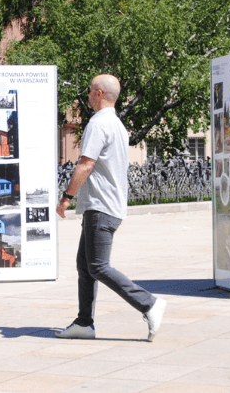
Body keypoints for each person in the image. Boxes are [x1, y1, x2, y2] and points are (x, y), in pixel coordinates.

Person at [55, 74, 167, 342]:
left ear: (98, 93)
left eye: (89, 91)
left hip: (101, 206)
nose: (87, 96)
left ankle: (149, 304)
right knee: (85, 265)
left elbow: (85, 163)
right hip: (108, 204)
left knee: (97, 266)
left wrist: (67, 197)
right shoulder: (117, 124)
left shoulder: (98, 123)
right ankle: (84, 322)